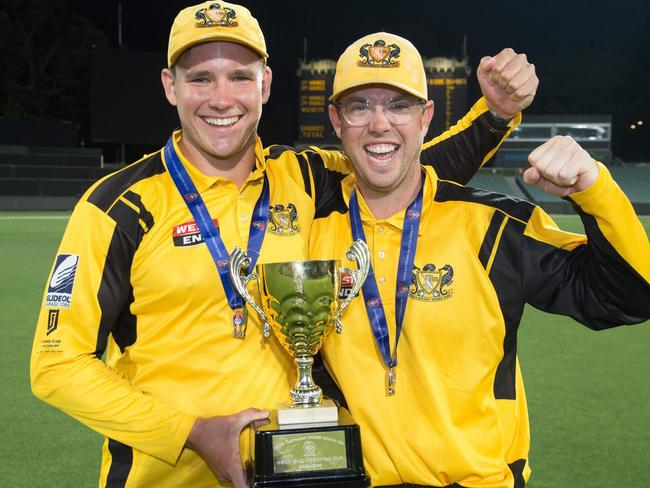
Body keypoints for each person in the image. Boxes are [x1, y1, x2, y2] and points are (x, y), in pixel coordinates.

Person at [29, 2, 538, 487]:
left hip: (298, 471)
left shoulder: (304, 178)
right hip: (163, 479)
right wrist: (189, 433)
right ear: (170, 86)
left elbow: (402, 167)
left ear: (265, 84)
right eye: (200, 78)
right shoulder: (117, 206)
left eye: (240, 77)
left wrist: (495, 114)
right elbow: (57, 364)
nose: (221, 98)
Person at [311, 32, 650, 487]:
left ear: (425, 117)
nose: (379, 125)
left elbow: (628, 297)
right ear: (336, 120)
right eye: (360, 107)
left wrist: (595, 189)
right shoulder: (308, 222)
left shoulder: (492, 226)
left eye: (398, 105)